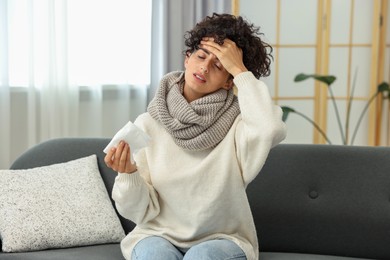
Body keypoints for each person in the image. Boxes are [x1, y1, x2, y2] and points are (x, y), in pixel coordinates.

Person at [104, 13, 287, 260]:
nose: (205, 67)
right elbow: (138, 212)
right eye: (201, 56)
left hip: (223, 240)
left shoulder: (239, 126)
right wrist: (128, 175)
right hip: (157, 235)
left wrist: (240, 70)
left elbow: (270, 128)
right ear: (187, 58)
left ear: (228, 82)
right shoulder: (148, 124)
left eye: (219, 65)